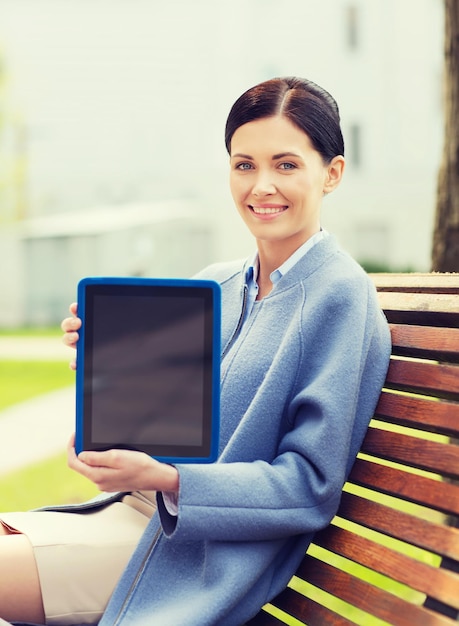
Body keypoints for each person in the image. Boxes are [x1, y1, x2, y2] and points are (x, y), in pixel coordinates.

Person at [0, 76, 391, 626]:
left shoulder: (340, 298)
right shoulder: (220, 284)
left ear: (332, 173)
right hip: (137, 519)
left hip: (199, 557)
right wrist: (105, 367)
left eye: (285, 165)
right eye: (244, 164)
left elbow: (308, 487)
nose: (261, 187)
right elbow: (168, 415)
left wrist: (165, 479)